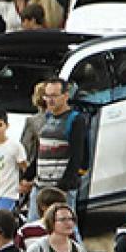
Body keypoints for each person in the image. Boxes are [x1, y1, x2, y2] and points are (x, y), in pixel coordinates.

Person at [22, 78, 87, 218]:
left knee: (65, 226)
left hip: (61, 188)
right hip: (40, 185)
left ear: (65, 96)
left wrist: (65, 185)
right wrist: (27, 176)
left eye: (54, 96)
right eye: (47, 96)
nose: (50, 100)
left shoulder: (75, 119)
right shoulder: (45, 119)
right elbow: (39, 152)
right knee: (33, 226)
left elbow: (78, 155)